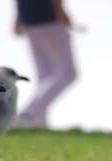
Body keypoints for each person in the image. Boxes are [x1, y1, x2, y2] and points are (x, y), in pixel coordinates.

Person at [13, 0, 78, 129]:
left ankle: (37, 123)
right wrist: (61, 12)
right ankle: (28, 115)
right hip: (49, 18)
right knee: (68, 73)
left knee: (45, 75)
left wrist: (18, 17)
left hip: (29, 20)